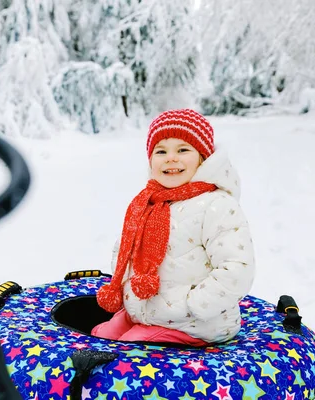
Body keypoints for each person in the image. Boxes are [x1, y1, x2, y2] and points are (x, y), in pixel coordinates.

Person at [92, 109, 255, 345]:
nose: (171, 158)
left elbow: (237, 267)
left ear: (202, 158)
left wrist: (194, 305)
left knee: (128, 348)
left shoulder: (216, 205)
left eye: (182, 150)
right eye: (161, 151)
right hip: (146, 311)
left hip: (196, 322)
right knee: (100, 335)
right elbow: (126, 252)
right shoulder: (148, 202)